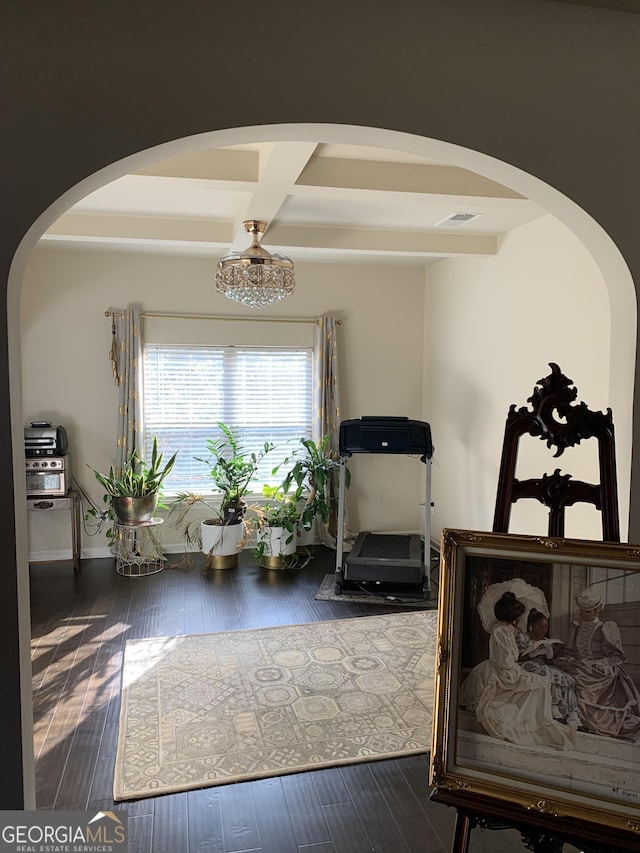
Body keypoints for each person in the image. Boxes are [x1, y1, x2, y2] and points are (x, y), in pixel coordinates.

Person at [459, 591, 574, 749]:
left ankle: (537, 720)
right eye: (519, 615)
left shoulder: (507, 630)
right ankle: (529, 722)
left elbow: (511, 655)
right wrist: (519, 672)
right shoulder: (501, 631)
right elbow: (504, 661)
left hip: (508, 668)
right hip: (501, 672)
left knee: (542, 683)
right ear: (513, 617)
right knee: (540, 684)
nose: (521, 619)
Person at [555, 587, 640, 740]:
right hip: (580, 667)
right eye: (582, 611)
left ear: (597, 610)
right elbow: (570, 651)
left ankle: (596, 724)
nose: (585, 615)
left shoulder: (605, 627)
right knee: (564, 677)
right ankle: (575, 720)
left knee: (581, 681)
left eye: (589, 612)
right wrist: (569, 658)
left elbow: (616, 657)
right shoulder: (576, 626)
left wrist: (595, 663)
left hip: (601, 671)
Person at [516, 609, 581, 726]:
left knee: (568, 679)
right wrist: (532, 653)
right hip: (526, 665)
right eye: (540, 627)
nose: (544, 630)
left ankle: (572, 713)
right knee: (547, 672)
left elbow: (549, 662)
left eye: (545, 628)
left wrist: (549, 654)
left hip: (542, 666)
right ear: (531, 626)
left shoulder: (545, 641)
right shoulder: (522, 637)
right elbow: (516, 657)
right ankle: (554, 707)